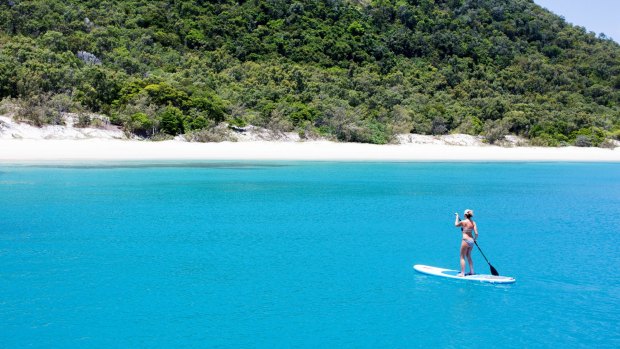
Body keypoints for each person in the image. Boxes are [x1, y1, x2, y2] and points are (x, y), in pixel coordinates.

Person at [454, 209, 478, 277]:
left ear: (465, 215)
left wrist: (457, 217)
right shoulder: (473, 222)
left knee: (462, 257)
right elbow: (476, 233)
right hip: (471, 240)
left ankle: (462, 273)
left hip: (465, 240)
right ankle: (472, 271)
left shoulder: (463, 222)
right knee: (468, 255)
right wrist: (475, 240)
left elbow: (456, 225)